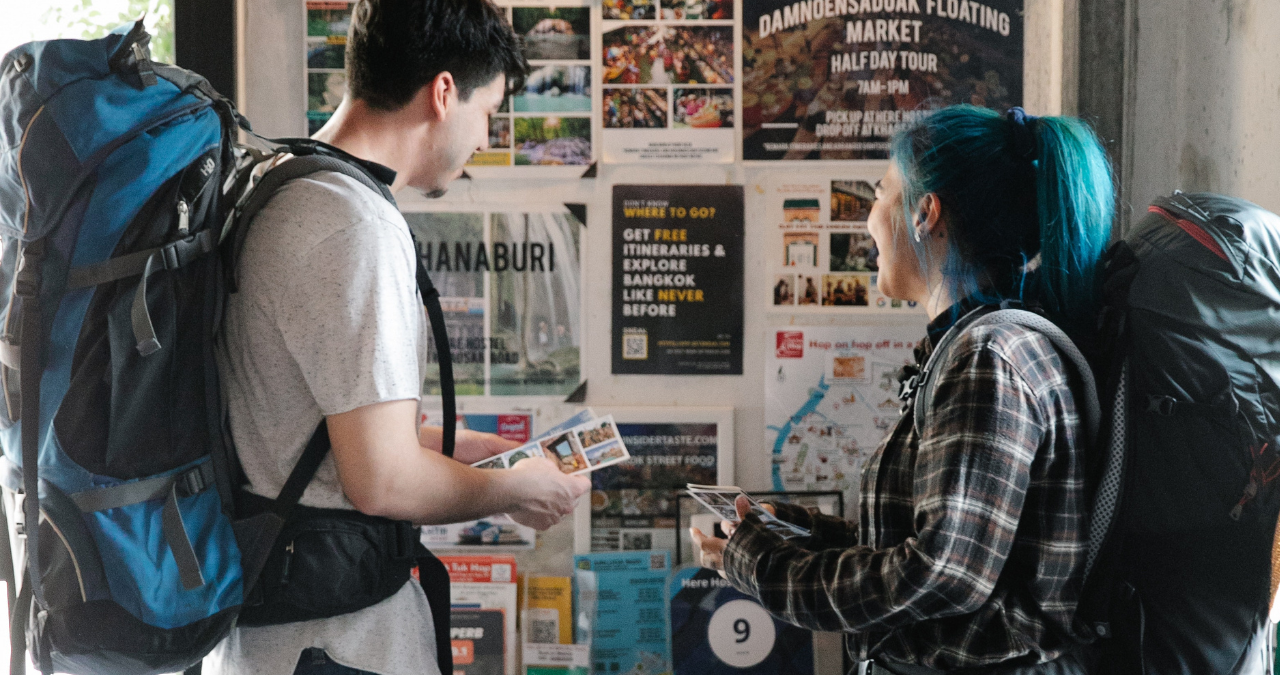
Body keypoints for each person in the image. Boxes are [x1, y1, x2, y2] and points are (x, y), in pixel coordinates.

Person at [208, 1, 591, 673]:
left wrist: (478, 453)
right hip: (331, 643)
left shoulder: (282, 183)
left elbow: (318, 426)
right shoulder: (351, 224)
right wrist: (514, 490)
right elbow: (380, 479)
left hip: (290, 632)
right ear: (444, 92)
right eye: (490, 111)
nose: (485, 137)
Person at [693, 105, 1114, 674]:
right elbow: (931, 538)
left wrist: (760, 566)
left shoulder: (988, 361)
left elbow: (943, 573)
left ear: (925, 212)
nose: (869, 220)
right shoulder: (973, 348)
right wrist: (800, 533)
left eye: (879, 192)